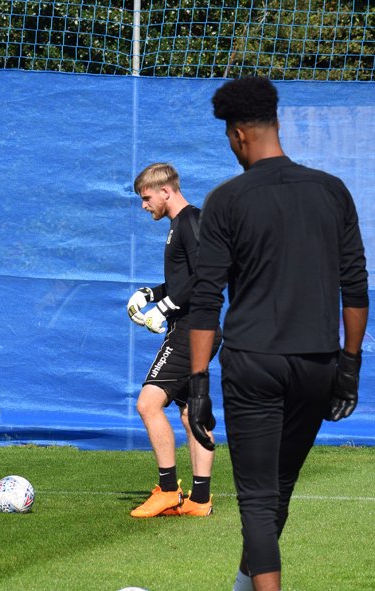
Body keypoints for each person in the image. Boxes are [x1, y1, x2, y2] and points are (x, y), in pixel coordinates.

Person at [186, 76, 368, 591]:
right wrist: (349, 368)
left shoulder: (226, 199)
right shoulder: (332, 191)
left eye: (228, 137)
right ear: (276, 123)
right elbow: (354, 290)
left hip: (253, 362)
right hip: (318, 361)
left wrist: (198, 384)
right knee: (279, 487)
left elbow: (206, 300)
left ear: (239, 134)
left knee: (258, 500)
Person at [126, 163, 222, 518]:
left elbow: (206, 276)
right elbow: (184, 280)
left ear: (166, 191)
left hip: (192, 330)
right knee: (189, 413)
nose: (144, 206)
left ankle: (168, 490)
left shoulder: (191, 222)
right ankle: (199, 501)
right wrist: (150, 293)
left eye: (146, 198)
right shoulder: (179, 225)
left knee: (148, 405)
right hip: (197, 328)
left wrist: (163, 309)